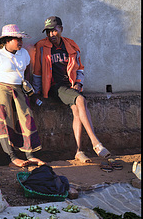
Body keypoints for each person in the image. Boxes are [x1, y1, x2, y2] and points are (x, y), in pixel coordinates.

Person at [32, 16, 111, 163]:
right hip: (54, 87)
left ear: (61, 29)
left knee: (77, 110)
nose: (51, 35)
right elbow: (37, 72)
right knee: (81, 99)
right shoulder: (41, 47)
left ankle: (79, 151)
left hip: (71, 86)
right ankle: (95, 143)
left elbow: (80, 68)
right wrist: (36, 92)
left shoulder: (71, 45)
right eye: (48, 32)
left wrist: (79, 83)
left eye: (54, 31)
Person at [0, 24, 46, 168]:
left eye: (20, 39)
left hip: (19, 89)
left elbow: (27, 71)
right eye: (16, 39)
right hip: (1, 88)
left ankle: (30, 155)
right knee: (3, 118)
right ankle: (12, 157)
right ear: (7, 40)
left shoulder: (24, 54)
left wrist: (26, 85)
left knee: (26, 116)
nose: (20, 42)